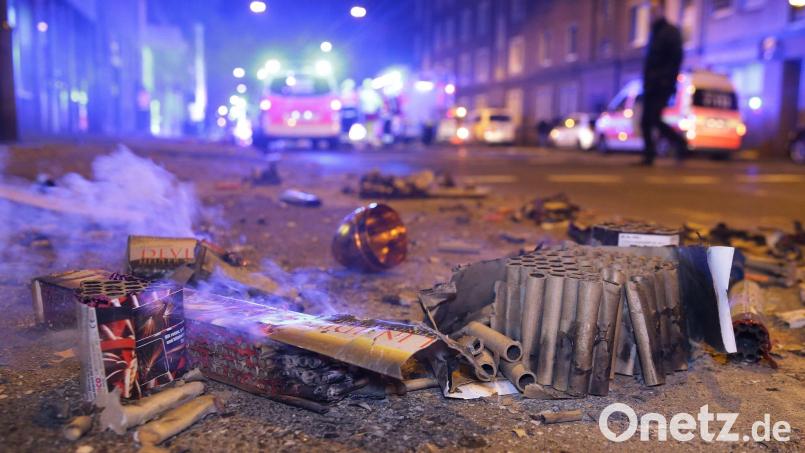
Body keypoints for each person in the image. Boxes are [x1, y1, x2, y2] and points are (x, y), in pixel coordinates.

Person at [639, 1, 687, 165]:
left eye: (654, 10)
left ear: (661, 10)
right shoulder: (655, 33)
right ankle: (650, 155)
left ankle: (678, 143)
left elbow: (675, 59)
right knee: (647, 120)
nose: (651, 14)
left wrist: (666, 80)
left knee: (652, 118)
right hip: (651, 84)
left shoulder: (670, 32)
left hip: (661, 85)